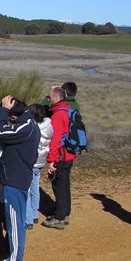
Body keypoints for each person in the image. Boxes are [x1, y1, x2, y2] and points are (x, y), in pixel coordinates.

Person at [0, 97, 39, 261]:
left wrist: (2, 110)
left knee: (15, 223)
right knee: (13, 221)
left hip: (15, 180)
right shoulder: (28, 125)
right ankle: (13, 257)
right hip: (16, 178)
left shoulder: (25, 126)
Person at [42, 87, 75, 230]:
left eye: (50, 97)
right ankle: (65, 212)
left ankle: (60, 217)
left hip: (60, 156)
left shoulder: (57, 115)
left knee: (59, 185)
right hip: (68, 153)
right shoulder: (67, 109)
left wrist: (51, 161)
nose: (49, 100)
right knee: (65, 184)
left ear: (56, 98)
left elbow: (55, 140)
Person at [25, 104, 53, 229]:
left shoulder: (32, 128)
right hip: (40, 162)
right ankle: (35, 214)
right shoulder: (48, 127)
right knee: (35, 187)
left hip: (30, 162)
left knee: (26, 190)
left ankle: (28, 219)